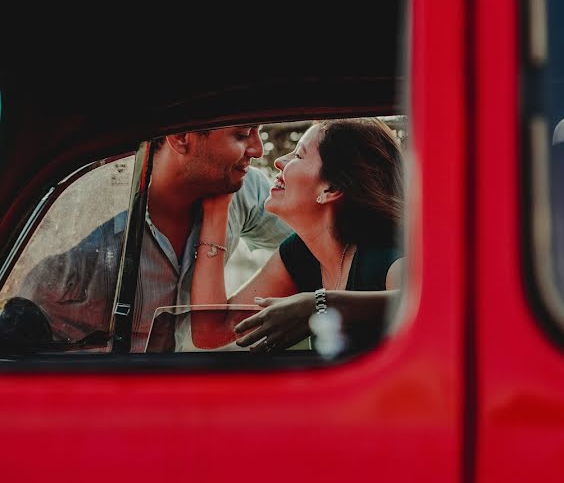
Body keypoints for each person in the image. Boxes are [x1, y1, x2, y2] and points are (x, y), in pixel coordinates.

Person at [17, 125, 293, 352]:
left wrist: (319, 303)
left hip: (175, 394)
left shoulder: (245, 188)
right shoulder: (88, 213)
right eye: (242, 135)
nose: (257, 149)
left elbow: (318, 239)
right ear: (182, 136)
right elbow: (23, 327)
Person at [190, 117, 404, 356]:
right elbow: (211, 332)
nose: (279, 161)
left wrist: (320, 304)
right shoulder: (300, 254)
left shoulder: (386, 253)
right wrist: (218, 207)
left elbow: (429, 303)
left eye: (298, 156)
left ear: (331, 189)